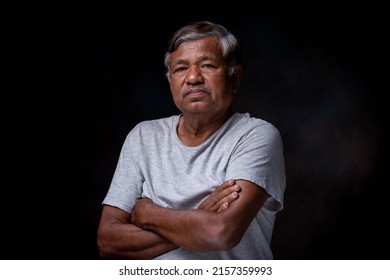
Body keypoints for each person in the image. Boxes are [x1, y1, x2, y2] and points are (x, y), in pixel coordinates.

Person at [97, 20, 286, 260]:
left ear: (235, 76)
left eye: (207, 65)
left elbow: (221, 232)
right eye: (180, 68)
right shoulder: (143, 137)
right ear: (170, 81)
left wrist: (147, 214)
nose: (193, 77)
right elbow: (108, 241)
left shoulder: (255, 136)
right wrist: (199, 216)